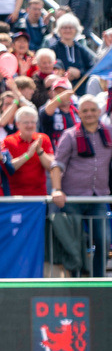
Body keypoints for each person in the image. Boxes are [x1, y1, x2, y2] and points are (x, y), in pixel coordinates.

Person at [50, 95, 111, 278]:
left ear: (99, 112)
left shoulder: (109, 133)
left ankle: (99, 280)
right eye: (85, 110)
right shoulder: (69, 135)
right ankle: (77, 281)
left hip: (99, 197)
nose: (89, 114)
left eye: (93, 110)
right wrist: (57, 190)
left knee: (104, 240)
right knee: (74, 243)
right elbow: (57, 165)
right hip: (73, 198)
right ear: (79, 113)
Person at [2, 104, 54, 196]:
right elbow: (8, 167)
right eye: (26, 122)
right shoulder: (8, 141)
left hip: (39, 195)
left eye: (33, 122)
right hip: (15, 196)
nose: (30, 125)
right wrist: (27, 155)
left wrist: (40, 151)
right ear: (17, 124)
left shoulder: (43, 139)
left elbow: (51, 166)